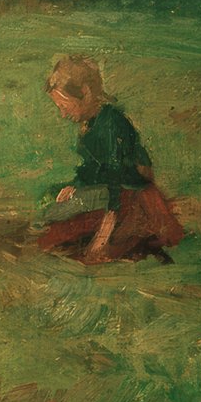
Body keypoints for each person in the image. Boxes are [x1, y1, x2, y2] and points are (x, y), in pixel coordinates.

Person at [36, 55, 184, 264]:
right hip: (106, 190)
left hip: (129, 194)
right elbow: (92, 167)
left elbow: (117, 180)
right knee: (52, 211)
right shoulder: (89, 123)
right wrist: (77, 184)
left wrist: (104, 234)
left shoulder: (112, 124)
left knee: (79, 243)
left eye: (64, 106)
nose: (62, 114)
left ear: (85, 93)